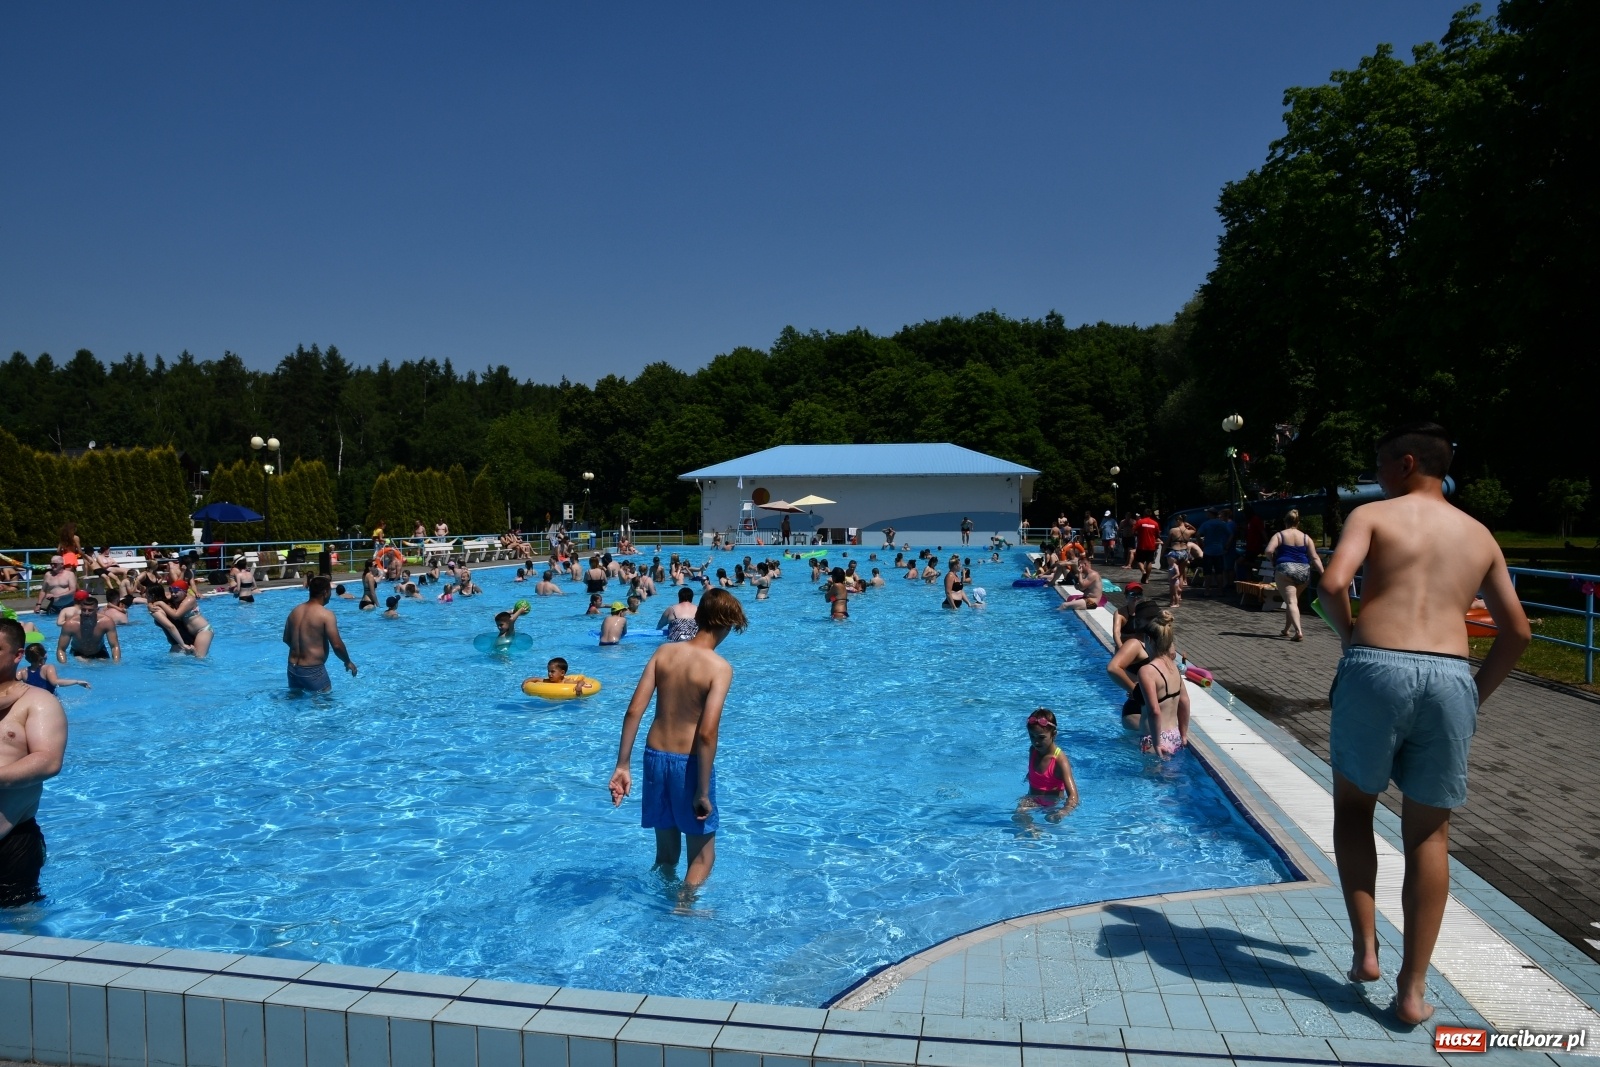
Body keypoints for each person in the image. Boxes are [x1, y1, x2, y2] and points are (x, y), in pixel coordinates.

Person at [1317, 422, 1529, 1026]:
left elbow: (1332, 584)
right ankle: (1412, 993)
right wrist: (1474, 694)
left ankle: (1365, 951)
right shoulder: (1480, 534)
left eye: (1381, 463)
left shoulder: (1375, 515)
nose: (1376, 473)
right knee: (1429, 837)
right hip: (1450, 677)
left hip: (1376, 667)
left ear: (1406, 463)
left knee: (1354, 809)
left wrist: (1352, 637)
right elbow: (1517, 631)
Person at [608, 588, 746, 893]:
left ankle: (656, 907)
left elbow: (633, 711)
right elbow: (707, 733)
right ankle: (683, 910)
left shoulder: (664, 652)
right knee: (702, 858)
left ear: (698, 617)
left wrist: (622, 765)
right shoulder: (719, 668)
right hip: (690, 765)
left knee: (666, 856)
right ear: (726, 624)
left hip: (654, 758)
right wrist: (701, 790)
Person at [0, 618, 68, 907]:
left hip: (10, 844)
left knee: (23, 930)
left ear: (17, 655)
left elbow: (48, 761)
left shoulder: (36, 702)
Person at [283, 576, 358, 693]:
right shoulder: (326, 615)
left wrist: (303, 650)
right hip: (313, 670)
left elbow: (286, 639)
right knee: (325, 705)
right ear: (325, 592)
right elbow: (337, 645)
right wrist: (347, 661)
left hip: (292, 669)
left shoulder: (295, 611)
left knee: (296, 704)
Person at [1264, 509, 1324, 641]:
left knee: (1291, 602)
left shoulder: (1279, 535)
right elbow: (1314, 558)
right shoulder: (1306, 537)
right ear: (1298, 522)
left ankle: (1299, 631)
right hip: (1303, 571)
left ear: (1285, 521)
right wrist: (1323, 574)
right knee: (1293, 602)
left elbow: (1268, 551)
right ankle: (1286, 629)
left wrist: (1273, 560)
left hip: (1285, 569)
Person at [1136, 610, 1189, 758]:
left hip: (1153, 739)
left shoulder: (1147, 671)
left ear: (1149, 640)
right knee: (1170, 778)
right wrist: (1183, 734)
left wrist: (1157, 743)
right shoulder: (1174, 668)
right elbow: (1184, 701)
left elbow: (1154, 711)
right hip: (1174, 735)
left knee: (1150, 780)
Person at [1017, 709, 1079, 819]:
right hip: (1032, 799)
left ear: (1054, 734)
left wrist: (1063, 812)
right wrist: (1028, 776)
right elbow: (1034, 773)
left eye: (1041, 737)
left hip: (1052, 803)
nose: (1036, 742)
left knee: (1051, 820)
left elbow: (1073, 796)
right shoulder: (1033, 750)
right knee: (1019, 814)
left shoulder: (1060, 761)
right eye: (1032, 736)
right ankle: (1033, 831)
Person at [149, 582, 213, 657]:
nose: (173, 594)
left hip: (203, 630)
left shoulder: (189, 600)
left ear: (185, 591)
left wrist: (161, 603)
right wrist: (150, 605)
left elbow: (176, 615)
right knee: (193, 656)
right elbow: (154, 598)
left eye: (176, 592)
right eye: (172, 591)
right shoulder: (174, 597)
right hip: (192, 633)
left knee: (199, 658)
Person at [57, 593, 121, 662]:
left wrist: (116, 664)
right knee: (84, 663)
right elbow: (61, 649)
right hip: (78, 653)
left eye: (90, 610)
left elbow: (115, 646)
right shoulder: (70, 624)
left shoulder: (106, 622)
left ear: (97, 610)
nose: (86, 613)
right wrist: (64, 666)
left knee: (105, 667)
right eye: (84, 610)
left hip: (100, 651)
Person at [19, 643, 89, 694]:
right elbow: (55, 682)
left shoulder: (22, 672)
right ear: (45, 655)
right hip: (49, 701)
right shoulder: (47, 668)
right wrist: (76, 681)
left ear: (27, 659)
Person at [1197, 508, 1234, 596]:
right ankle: (1220, 591)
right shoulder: (1222, 524)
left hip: (1208, 550)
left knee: (1207, 572)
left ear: (1210, 514)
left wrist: (1201, 544)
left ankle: (1207, 591)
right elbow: (1231, 534)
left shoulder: (1206, 524)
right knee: (1219, 571)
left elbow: (1198, 534)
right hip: (1219, 550)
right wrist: (1227, 545)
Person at [1131, 511, 1161, 584]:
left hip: (1142, 544)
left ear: (1144, 515)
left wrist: (1138, 533)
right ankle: (1147, 578)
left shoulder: (1140, 522)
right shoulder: (1155, 523)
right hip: (1151, 545)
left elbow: (1133, 531)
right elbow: (1158, 535)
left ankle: (1143, 571)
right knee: (1149, 562)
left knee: (1139, 561)